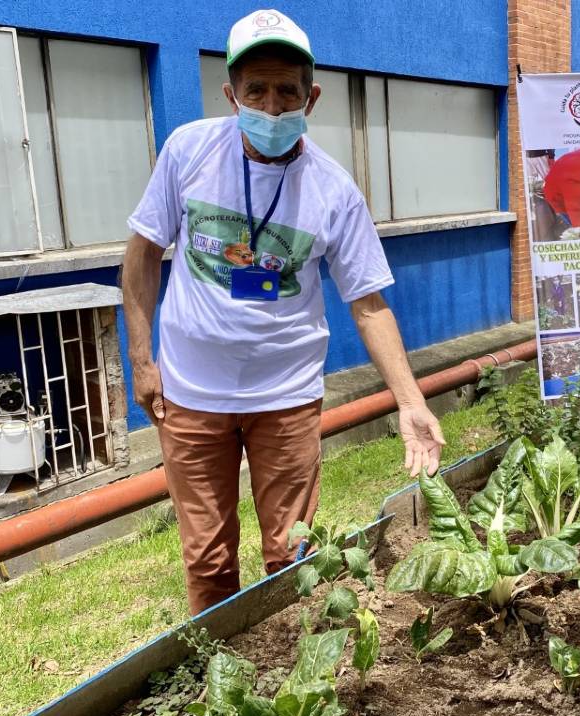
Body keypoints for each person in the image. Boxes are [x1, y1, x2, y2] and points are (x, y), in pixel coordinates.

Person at [122, 9, 445, 615]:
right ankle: (219, 677)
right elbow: (141, 257)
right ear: (231, 95)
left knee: (291, 553)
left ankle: (288, 672)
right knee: (208, 557)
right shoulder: (188, 151)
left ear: (310, 97)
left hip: (287, 397)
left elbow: (369, 303)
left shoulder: (334, 190)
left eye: (286, 91)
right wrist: (140, 360)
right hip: (191, 394)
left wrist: (410, 400)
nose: (271, 107)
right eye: (256, 91)